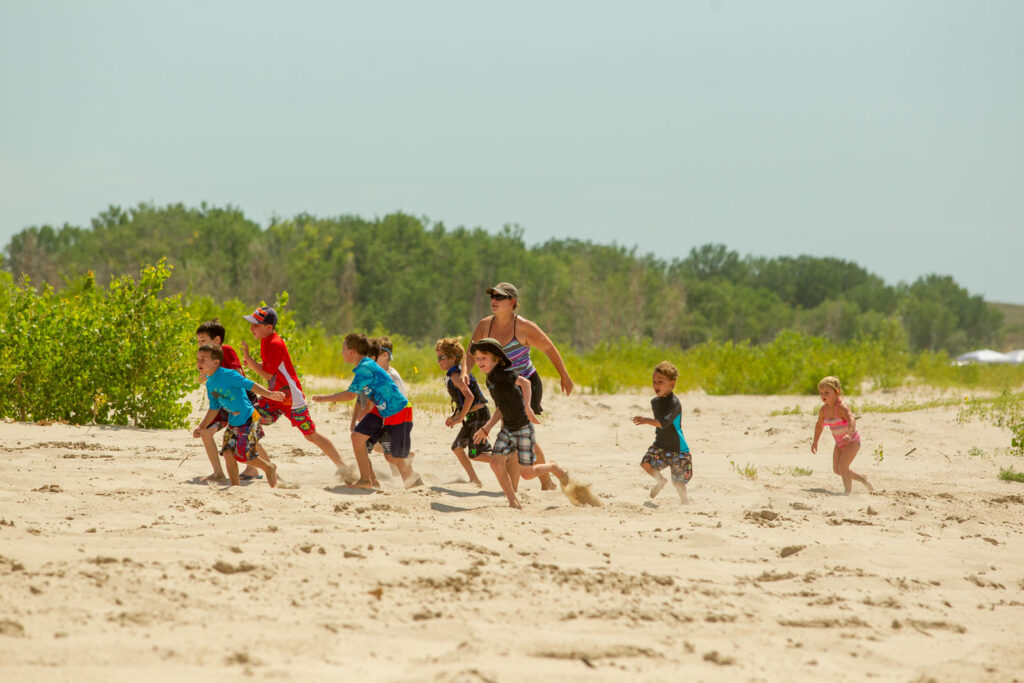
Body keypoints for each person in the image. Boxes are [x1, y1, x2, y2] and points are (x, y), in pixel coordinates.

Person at [464, 282, 574, 491]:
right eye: (492, 297)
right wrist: (464, 372)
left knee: (514, 427)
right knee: (521, 431)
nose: (493, 301)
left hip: (526, 384)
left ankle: (514, 488)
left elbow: (549, 347)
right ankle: (547, 480)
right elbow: (471, 353)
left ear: (512, 302)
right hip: (502, 384)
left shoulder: (522, 327)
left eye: (499, 297)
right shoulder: (484, 326)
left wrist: (564, 375)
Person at [239, 306, 352, 480]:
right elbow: (273, 368)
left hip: (292, 399)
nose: (251, 328)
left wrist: (249, 359)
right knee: (249, 421)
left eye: (256, 324)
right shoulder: (267, 341)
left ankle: (343, 467)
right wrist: (255, 363)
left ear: (268, 327)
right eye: (252, 324)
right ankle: (257, 468)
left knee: (311, 435)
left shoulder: (274, 343)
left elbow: (268, 374)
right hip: (276, 396)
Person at [311, 333, 421, 490]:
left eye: (343, 349)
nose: (341, 352)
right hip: (381, 410)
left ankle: (415, 485)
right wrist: (367, 405)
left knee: (394, 457)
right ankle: (366, 480)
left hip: (399, 411)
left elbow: (350, 395)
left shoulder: (365, 367)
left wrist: (324, 398)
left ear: (352, 351)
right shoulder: (366, 366)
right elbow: (377, 387)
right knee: (357, 437)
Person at [470, 338, 568, 509]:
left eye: (483, 358)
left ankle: (553, 467)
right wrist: (486, 428)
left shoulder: (503, 373)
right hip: (507, 428)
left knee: (527, 473)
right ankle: (512, 501)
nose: (479, 362)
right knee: (495, 463)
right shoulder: (490, 379)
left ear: (496, 358)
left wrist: (528, 407)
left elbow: (526, 382)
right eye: (477, 358)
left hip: (522, 427)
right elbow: (500, 408)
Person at [193, 344, 284, 487]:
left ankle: (268, 467)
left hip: (249, 418)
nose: (199, 362)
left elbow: (250, 385)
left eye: (203, 359)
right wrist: (201, 427)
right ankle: (236, 488)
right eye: (198, 359)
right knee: (228, 454)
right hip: (234, 421)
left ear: (216, 362)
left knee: (241, 455)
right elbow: (214, 408)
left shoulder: (229, 375)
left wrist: (270, 394)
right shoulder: (210, 383)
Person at [194, 319, 264, 483]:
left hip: (241, 402)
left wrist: (216, 375)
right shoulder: (206, 358)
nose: (199, 344)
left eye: (203, 341)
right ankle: (218, 472)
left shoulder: (226, 351)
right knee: (206, 432)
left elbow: (238, 373)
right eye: (198, 341)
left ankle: (261, 468)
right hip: (223, 404)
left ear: (217, 340)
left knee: (248, 437)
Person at [632, 361, 692, 504]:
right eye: (654, 382)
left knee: (678, 483)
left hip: (678, 449)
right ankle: (660, 481)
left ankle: (685, 502)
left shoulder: (675, 404)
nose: (656, 385)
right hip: (661, 445)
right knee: (646, 463)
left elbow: (663, 423)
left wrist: (646, 420)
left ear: (672, 384)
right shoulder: (655, 402)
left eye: (660, 382)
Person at [436, 337, 490, 486]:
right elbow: (462, 401)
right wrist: (455, 416)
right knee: (457, 448)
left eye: (442, 357)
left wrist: (460, 418)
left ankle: (504, 460)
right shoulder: (454, 374)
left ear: (453, 358)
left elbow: (470, 397)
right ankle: (474, 479)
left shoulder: (456, 375)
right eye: (438, 358)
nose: (439, 361)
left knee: (476, 454)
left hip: (478, 415)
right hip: (471, 416)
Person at [812, 376, 873, 495]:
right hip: (839, 443)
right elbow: (819, 425)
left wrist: (849, 434)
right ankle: (862, 479)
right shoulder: (823, 410)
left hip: (852, 442)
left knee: (843, 467)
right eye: (821, 393)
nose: (823, 395)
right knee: (837, 469)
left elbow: (852, 420)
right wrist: (815, 442)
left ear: (837, 392)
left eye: (827, 393)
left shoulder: (841, 407)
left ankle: (848, 493)